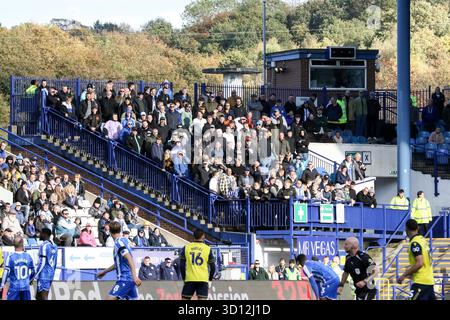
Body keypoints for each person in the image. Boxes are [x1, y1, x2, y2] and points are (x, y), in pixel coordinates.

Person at [96, 221, 142, 300]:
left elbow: (129, 258)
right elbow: (118, 263)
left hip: (125, 279)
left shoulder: (118, 243)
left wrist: (135, 277)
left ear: (109, 231)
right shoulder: (125, 240)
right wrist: (104, 272)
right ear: (120, 230)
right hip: (130, 280)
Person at [397, 219, 435, 300]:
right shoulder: (423, 240)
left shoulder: (415, 243)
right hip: (429, 281)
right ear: (417, 228)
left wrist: (404, 275)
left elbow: (419, 263)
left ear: (406, 229)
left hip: (421, 282)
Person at [179, 229, 216, 300]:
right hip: (203, 279)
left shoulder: (186, 247)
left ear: (194, 236)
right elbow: (213, 267)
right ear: (203, 236)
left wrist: (184, 278)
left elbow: (182, 266)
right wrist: (210, 280)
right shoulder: (207, 249)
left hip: (190, 278)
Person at [0, 235, 35, 300]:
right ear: (23, 244)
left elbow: (6, 272)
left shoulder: (10, 257)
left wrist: (2, 284)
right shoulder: (28, 256)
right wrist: (29, 280)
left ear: (13, 244)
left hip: (14, 287)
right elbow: (33, 272)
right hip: (25, 287)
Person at [30, 228, 57, 300]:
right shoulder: (55, 246)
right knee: (38, 297)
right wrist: (52, 273)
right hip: (50, 274)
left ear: (44, 234)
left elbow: (42, 263)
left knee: (43, 297)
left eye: (41, 233)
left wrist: (33, 276)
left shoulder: (44, 245)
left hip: (43, 275)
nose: (39, 235)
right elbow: (55, 263)